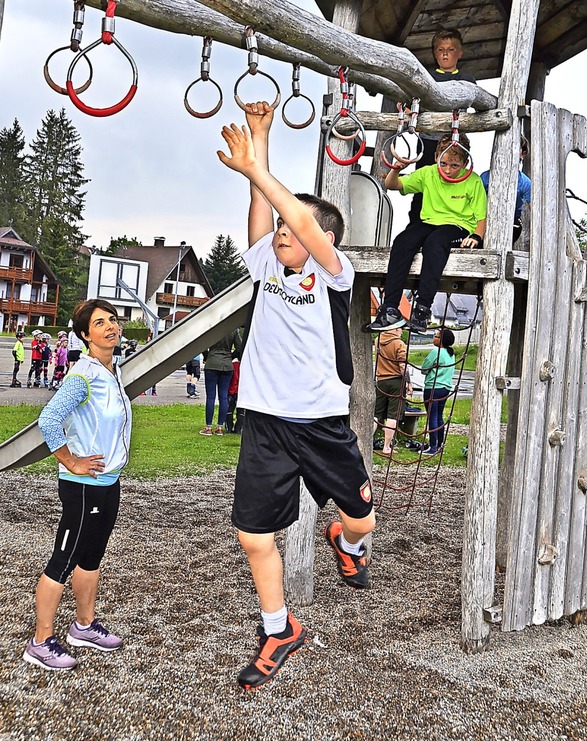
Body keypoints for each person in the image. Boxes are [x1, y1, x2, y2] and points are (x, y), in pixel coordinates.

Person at [216, 102, 375, 690]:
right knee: (253, 534)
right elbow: (264, 219)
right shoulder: (268, 269)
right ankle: (279, 628)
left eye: (296, 227)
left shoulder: (336, 271)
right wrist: (260, 137)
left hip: (321, 423)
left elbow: (298, 221)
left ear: (324, 239)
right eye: (281, 229)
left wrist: (257, 170)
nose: (283, 233)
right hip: (266, 421)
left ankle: (344, 538)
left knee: (363, 519)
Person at [23, 299, 131, 671]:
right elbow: (49, 420)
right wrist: (71, 461)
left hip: (108, 481)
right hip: (83, 485)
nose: (111, 327)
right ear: (85, 335)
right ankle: (40, 642)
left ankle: (83, 627)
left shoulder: (112, 370)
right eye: (100, 323)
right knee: (63, 561)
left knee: (91, 558)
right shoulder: (83, 375)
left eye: (113, 320)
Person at [366, 132, 487, 334]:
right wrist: (396, 169)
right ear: (436, 159)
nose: (448, 170)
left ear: (465, 163)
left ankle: (422, 309)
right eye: (444, 163)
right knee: (403, 240)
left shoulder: (473, 182)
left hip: (458, 226)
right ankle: (389, 309)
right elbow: (392, 185)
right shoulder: (429, 173)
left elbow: (481, 216)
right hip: (429, 222)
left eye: (454, 166)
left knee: (435, 243)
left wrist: (476, 236)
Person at [409, 28, 476, 225]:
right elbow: (411, 102)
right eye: (440, 50)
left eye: (451, 49)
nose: (445, 53)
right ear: (434, 52)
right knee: (423, 186)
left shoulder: (467, 81)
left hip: (455, 144)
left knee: (455, 185)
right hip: (429, 142)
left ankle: (452, 224)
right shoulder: (426, 77)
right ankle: (416, 226)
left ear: (460, 53)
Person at [480, 134, 531, 243]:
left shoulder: (525, 182)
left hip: (512, 221)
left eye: (514, 147)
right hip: (486, 218)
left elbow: (535, 209)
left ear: (522, 153)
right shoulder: (484, 177)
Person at [373, 327, 412, 455]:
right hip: (396, 381)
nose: (402, 332)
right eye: (401, 329)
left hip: (381, 380)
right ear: (395, 329)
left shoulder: (378, 340)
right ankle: (386, 446)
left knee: (376, 414)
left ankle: (366, 442)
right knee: (393, 415)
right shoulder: (399, 344)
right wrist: (408, 383)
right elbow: (402, 365)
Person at [199, 328, 242, 436]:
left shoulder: (213, 328)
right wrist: (230, 356)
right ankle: (219, 427)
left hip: (212, 363)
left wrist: (207, 356)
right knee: (223, 397)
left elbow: (202, 344)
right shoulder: (234, 330)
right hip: (227, 365)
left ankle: (208, 427)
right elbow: (240, 347)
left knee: (210, 397)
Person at [421, 328, 456, 455]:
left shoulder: (436, 352)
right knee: (439, 416)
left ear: (441, 340)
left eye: (436, 336)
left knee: (432, 416)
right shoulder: (451, 354)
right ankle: (440, 444)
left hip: (433, 387)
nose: (433, 338)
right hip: (445, 388)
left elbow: (424, 369)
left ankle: (433, 446)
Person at [225, 356, 244, 433]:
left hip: (231, 390)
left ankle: (229, 427)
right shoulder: (246, 366)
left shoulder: (233, 365)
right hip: (242, 391)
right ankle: (238, 428)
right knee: (241, 411)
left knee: (229, 410)